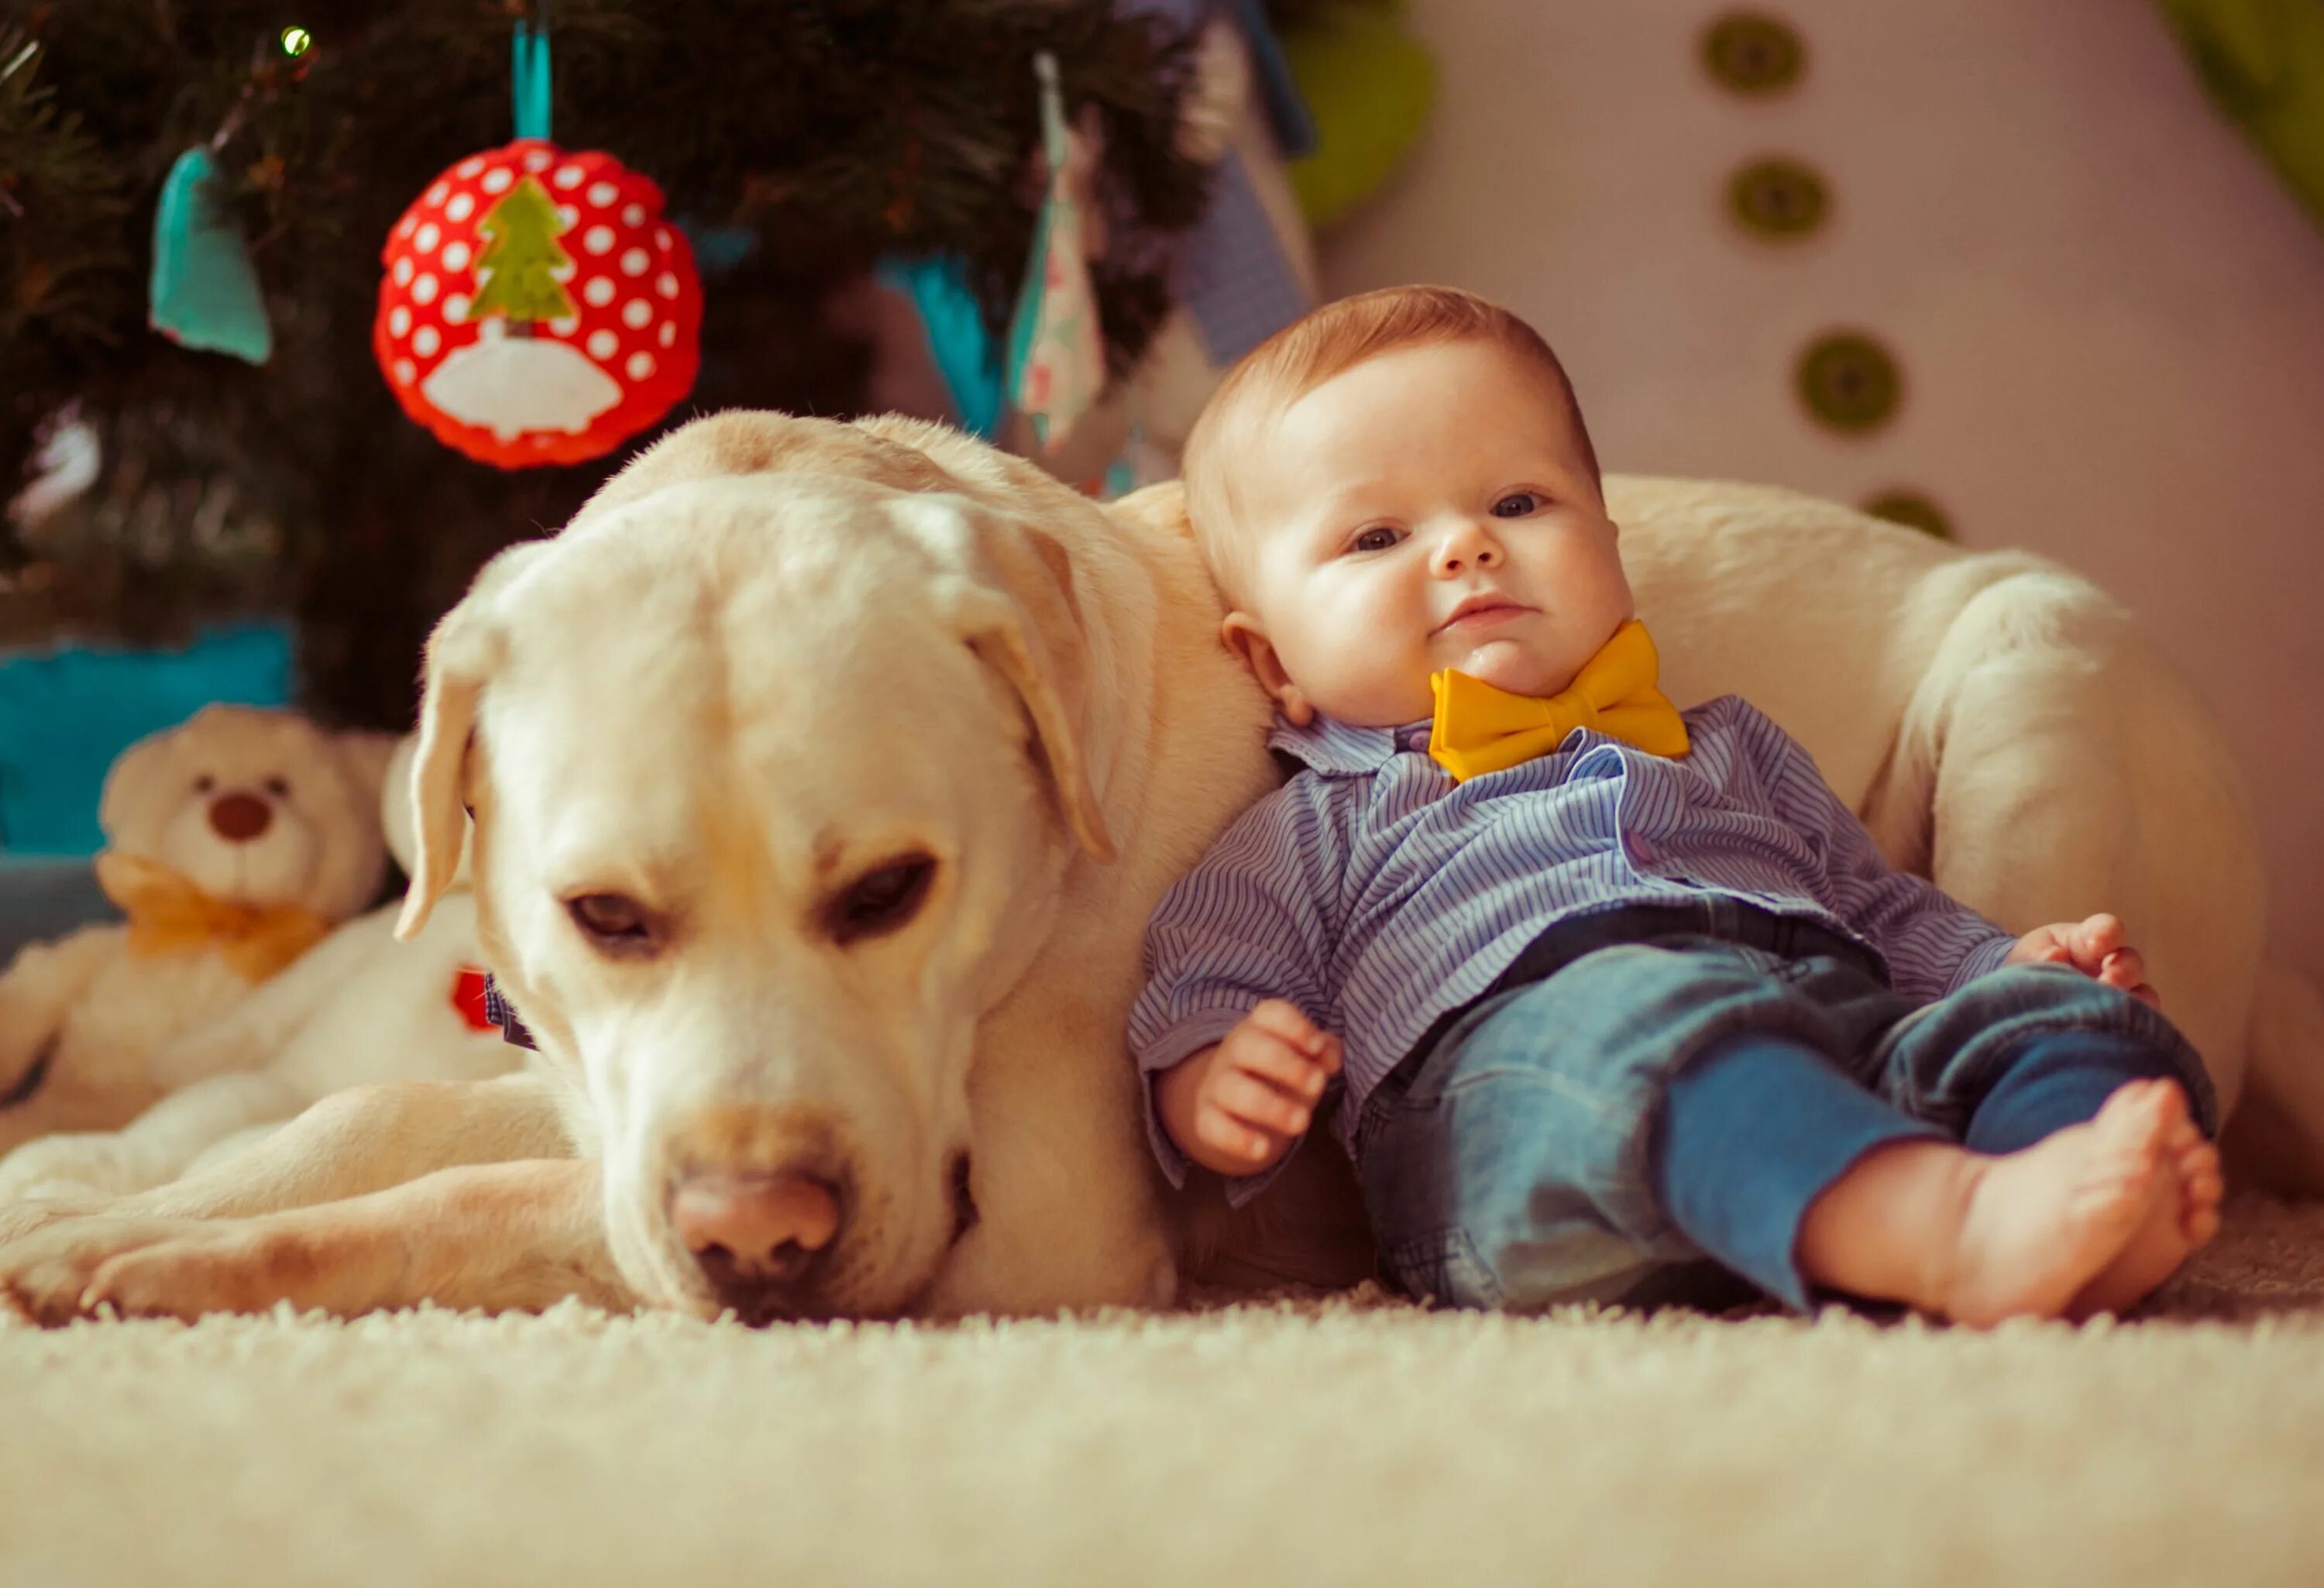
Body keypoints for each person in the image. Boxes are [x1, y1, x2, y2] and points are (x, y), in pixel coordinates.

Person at [1130, 285, 2222, 1323]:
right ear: (1273, 663)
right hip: (1527, 1106)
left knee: (2078, 1021)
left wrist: (2004, 966)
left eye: (1519, 501)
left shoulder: (1731, 743)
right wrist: (1214, 1080)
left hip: (1838, 1043)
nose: (1467, 545)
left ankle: (2061, 1208)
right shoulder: (1322, 821)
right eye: (1376, 537)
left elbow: (1881, 912)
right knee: (1650, 1027)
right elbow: (1204, 973)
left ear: (1610, 550)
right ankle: (1951, 1225)